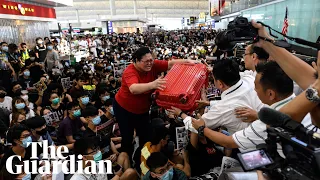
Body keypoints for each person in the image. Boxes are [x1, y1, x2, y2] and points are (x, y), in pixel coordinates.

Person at [113, 46, 195, 160]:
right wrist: (153, 84)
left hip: (143, 110)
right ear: (136, 61)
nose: (150, 64)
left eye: (151, 60)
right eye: (146, 61)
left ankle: (143, 160)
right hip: (124, 109)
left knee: (146, 136)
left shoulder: (153, 64)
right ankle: (126, 162)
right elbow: (134, 88)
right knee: (127, 137)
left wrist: (189, 62)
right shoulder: (130, 71)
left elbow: (170, 64)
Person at [169, 59, 264, 134]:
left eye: (213, 78)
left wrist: (180, 113)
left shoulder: (223, 108)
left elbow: (197, 125)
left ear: (220, 84)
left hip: (246, 147)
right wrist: (209, 103)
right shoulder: (250, 79)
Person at [71, 137, 138, 180]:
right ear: (84, 157)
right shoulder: (78, 178)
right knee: (130, 173)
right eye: (94, 151)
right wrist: (117, 177)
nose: (98, 153)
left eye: (97, 149)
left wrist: (112, 159)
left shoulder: (95, 163)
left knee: (124, 155)